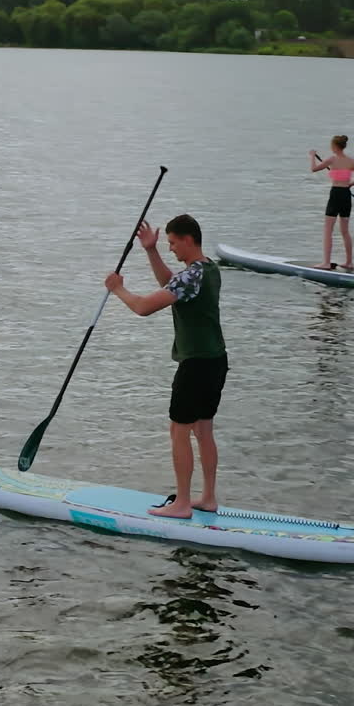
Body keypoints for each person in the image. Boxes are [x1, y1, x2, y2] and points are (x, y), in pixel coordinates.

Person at [105, 213, 228, 520]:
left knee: (178, 430)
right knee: (203, 429)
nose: (171, 248)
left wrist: (117, 289)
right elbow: (171, 284)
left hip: (196, 365)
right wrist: (151, 250)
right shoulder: (207, 269)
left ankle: (182, 503)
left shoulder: (190, 276)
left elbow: (145, 307)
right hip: (215, 360)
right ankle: (208, 498)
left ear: (188, 239)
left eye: (172, 243)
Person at [309, 134, 354, 270]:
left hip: (335, 194)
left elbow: (314, 169)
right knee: (345, 231)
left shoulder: (332, 159)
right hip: (346, 195)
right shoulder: (351, 161)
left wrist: (312, 156)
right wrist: (349, 185)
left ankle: (326, 263)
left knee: (328, 229)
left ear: (334, 146)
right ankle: (349, 262)